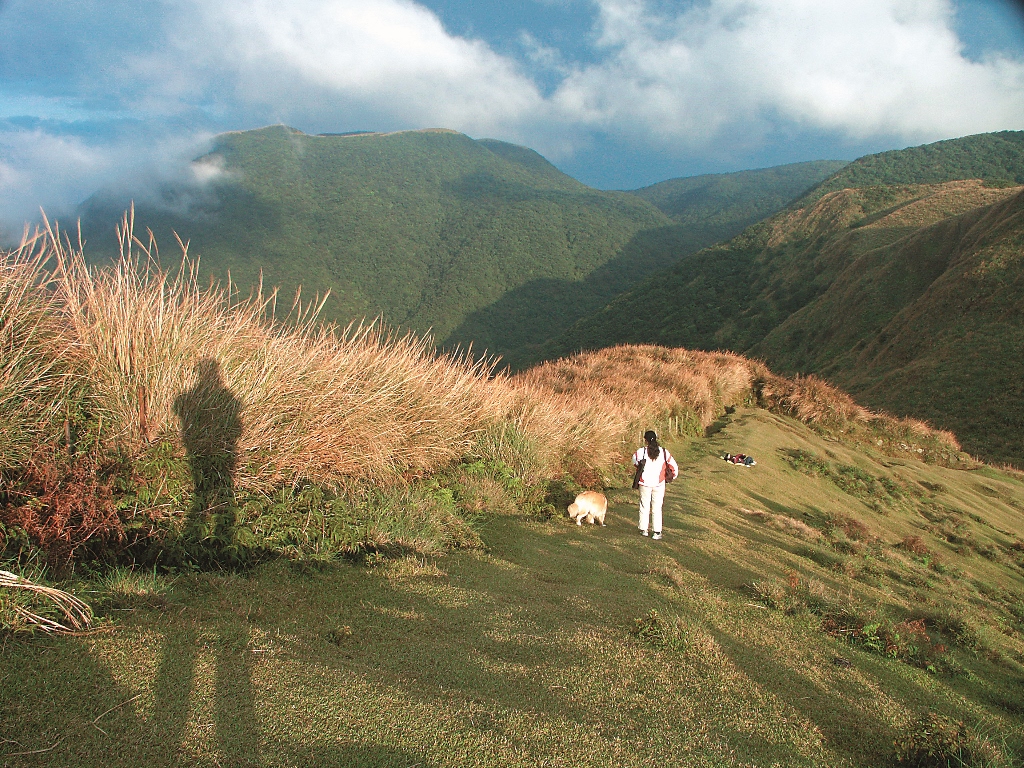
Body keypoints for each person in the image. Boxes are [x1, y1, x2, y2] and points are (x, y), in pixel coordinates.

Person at [632, 430, 679, 540]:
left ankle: (643, 529)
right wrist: (670, 477)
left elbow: (634, 462)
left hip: (644, 483)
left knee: (644, 506)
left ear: (645, 440)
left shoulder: (641, 452)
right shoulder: (664, 452)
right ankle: (657, 532)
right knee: (657, 508)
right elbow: (674, 467)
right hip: (659, 484)